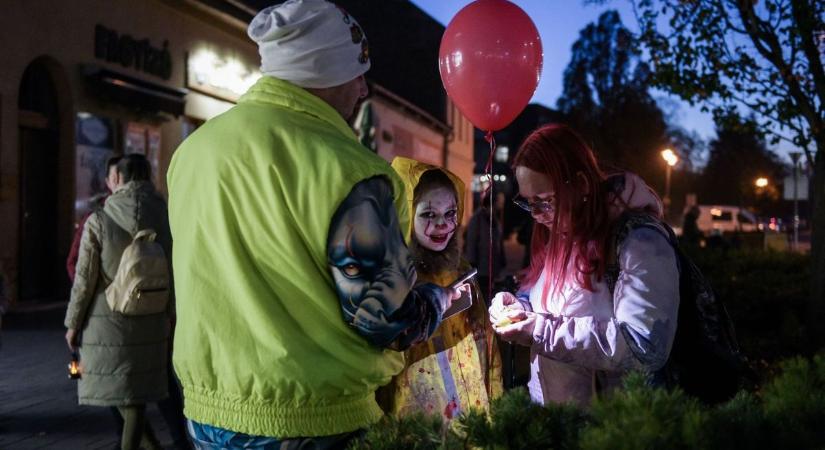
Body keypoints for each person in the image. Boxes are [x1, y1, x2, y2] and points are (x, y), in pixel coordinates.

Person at [167, 1, 459, 448]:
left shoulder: (193, 152)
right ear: (323, 75)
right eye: (356, 73)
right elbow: (385, 318)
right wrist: (436, 301)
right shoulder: (350, 171)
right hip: (313, 420)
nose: (363, 90)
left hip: (208, 416)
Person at [487, 124, 680, 407]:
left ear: (581, 185)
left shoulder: (639, 243)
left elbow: (643, 345)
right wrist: (521, 308)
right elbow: (552, 303)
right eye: (529, 203)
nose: (537, 215)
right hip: (556, 421)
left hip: (609, 428)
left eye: (545, 201)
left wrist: (539, 331)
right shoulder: (561, 233)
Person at [378, 157, 503, 422]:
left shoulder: (462, 270)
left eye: (450, 213)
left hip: (469, 416)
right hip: (416, 422)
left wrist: (495, 403)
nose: (442, 225)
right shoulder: (392, 279)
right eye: (428, 214)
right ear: (406, 213)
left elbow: (485, 341)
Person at [64, 154, 172, 450]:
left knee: (129, 401)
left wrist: (73, 324)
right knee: (132, 398)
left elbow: (84, 280)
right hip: (152, 319)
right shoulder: (165, 217)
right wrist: (172, 316)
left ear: (118, 179)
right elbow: (175, 268)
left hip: (107, 321)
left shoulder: (99, 219)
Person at [67, 155, 121, 282]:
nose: (119, 183)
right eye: (115, 178)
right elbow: (74, 261)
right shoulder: (94, 217)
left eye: (123, 177)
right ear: (108, 182)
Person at [464, 192, 507, 302]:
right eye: (499, 201)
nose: (501, 204)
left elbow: (498, 239)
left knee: (489, 291)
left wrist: (502, 257)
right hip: (481, 265)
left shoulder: (494, 218)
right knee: (481, 294)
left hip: (492, 265)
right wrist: (472, 262)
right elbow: (471, 241)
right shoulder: (477, 218)